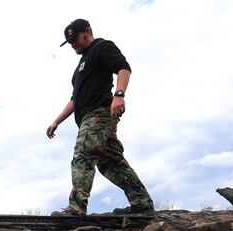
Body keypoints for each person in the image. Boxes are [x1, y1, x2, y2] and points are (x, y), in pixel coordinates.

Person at [47, 18, 154, 216]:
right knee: (111, 163)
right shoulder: (80, 67)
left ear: (88, 31)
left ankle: (76, 208)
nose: (73, 44)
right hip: (88, 117)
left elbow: (123, 68)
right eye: (69, 42)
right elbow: (75, 99)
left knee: (83, 153)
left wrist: (119, 95)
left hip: (99, 113)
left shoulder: (102, 47)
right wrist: (56, 121)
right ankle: (142, 204)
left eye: (75, 39)